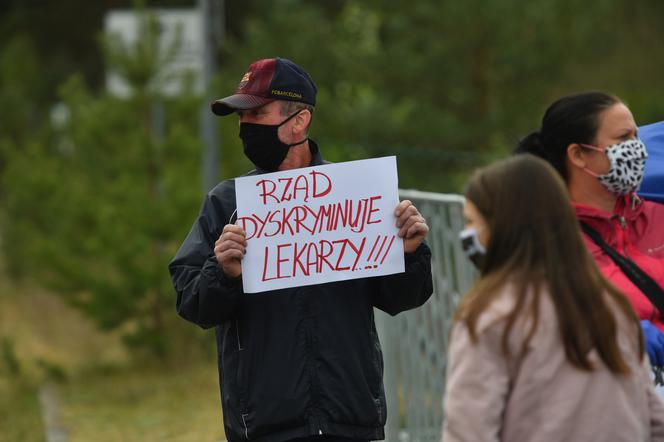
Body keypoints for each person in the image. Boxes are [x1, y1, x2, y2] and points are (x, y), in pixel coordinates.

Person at [168, 57, 433, 442]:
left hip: (351, 421)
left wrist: (409, 254)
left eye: (257, 113)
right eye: (241, 117)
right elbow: (192, 303)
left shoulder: (356, 198)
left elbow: (401, 298)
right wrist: (221, 272)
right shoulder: (226, 203)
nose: (245, 127)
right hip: (264, 426)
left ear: (299, 121)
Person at [444, 155, 664, 442]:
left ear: (503, 228)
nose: (468, 234)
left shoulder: (489, 317)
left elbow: (469, 430)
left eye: (473, 222)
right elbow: (654, 420)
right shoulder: (612, 306)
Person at [515, 92, 664, 369]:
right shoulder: (545, 243)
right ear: (578, 155)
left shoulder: (659, 215)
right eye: (623, 139)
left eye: (636, 137)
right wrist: (619, 334)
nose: (638, 149)